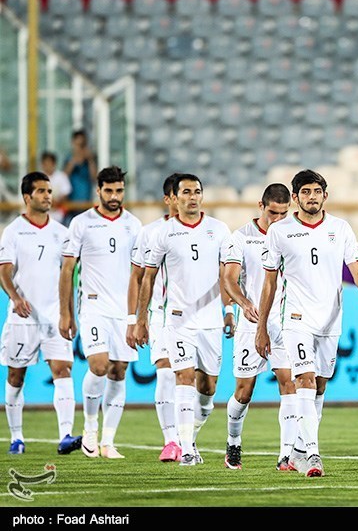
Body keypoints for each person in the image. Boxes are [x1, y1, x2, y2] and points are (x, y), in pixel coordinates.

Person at [255, 169, 358, 478]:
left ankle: (297, 451)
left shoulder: (340, 228)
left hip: (330, 321)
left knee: (319, 384)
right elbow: (269, 283)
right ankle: (313, 454)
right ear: (295, 197)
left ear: (325, 195)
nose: (312, 197)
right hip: (296, 319)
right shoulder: (279, 231)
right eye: (305, 192)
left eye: (317, 191)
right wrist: (261, 327)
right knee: (304, 379)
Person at [133, 173, 235, 467]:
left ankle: (190, 435)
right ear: (174, 198)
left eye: (197, 191)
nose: (193, 197)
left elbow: (227, 275)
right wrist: (141, 318)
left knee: (208, 390)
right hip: (177, 320)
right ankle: (186, 449)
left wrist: (229, 309)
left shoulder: (219, 229)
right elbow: (147, 277)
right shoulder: (163, 233)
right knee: (183, 377)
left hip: (211, 320)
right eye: (187, 192)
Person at [58, 166, 142, 459]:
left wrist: (137, 317)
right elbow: (67, 270)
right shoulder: (82, 223)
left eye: (119, 190)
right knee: (98, 365)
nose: (114, 196)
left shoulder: (134, 225)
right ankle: (90, 427)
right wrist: (66, 313)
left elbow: (139, 275)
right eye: (109, 190)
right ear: (99, 191)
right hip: (93, 306)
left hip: (123, 310)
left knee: (119, 370)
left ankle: (108, 441)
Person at [1, 172, 81, 455]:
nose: (48, 195)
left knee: (63, 369)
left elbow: (68, 277)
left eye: (49, 191)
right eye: (41, 191)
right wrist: (15, 297)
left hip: (54, 316)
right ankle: (16, 437)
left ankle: (66, 435)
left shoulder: (62, 232)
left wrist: (69, 314)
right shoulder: (13, 231)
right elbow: (4, 271)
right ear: (27, 197)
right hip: (23, 318)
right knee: (16, 376)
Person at [221, 183, 293, 471]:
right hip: (252, 322)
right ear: (261, 206)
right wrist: (243, 303)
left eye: (284, 213)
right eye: (273, 213)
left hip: (286, 322)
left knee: (289, 383)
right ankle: (233, 442)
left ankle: (286, 454)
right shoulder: (241, 237)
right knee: (244, 391)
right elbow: (229, 278)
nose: (279, 219)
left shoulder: (292, 235)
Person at [125, 173, 181, 462]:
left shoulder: (208, 231)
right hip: (160, 313)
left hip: (194, 318)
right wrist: (135, 319)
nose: (187, 199)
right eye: (181, 194)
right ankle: (171, 440)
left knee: (199, 384)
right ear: (168, 199)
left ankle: (187, 436)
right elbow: (137, 277)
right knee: (166, 371)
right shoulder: (150, 233)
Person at [62, 129, 98, 225]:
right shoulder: (68, 159)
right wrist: (74, 161)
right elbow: (63, 178)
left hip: (86, 204)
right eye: (78, 145)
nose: (80, 148)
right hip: (71, 206)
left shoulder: (90, 160)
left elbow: (94, 178)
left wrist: (90, 160)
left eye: (82, 145)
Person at [40, 151, 72, 225]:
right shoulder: (37, 178)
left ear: (54, 163)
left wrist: (56, 201)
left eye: (49, 163)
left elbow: (66, 193)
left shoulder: (61, 176)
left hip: (59, 215)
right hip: (41, 215)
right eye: (45, 163)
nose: (47, 166)